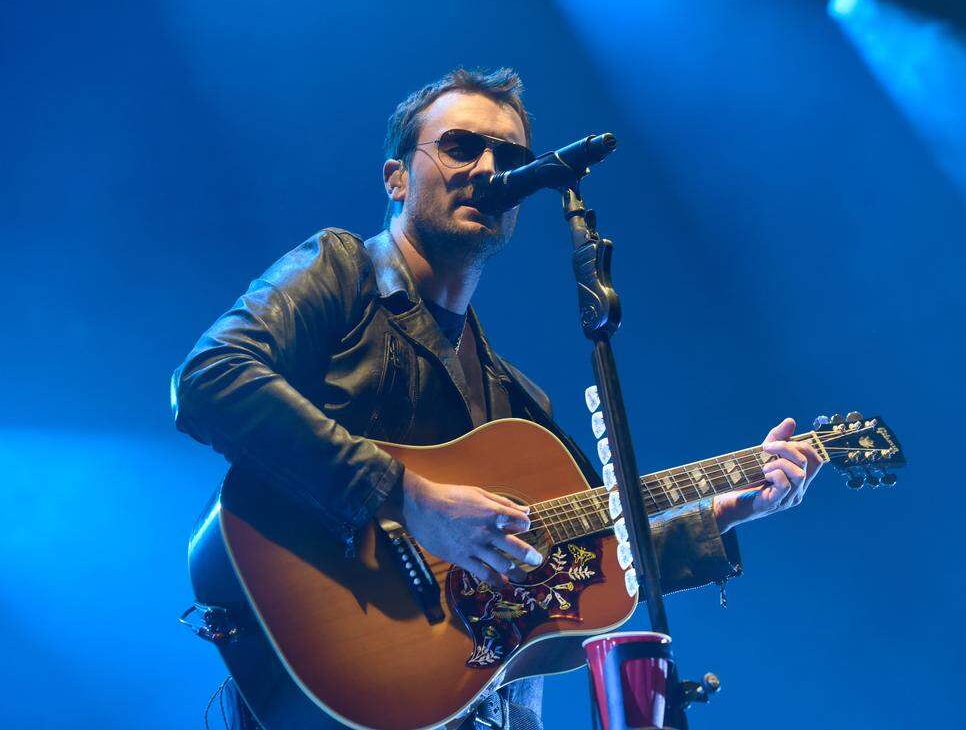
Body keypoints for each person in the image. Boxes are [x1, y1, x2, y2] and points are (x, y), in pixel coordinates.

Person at [171, 67, 823, 730]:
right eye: (461, 147)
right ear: (396, 176)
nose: (489, 169)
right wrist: (411, 497)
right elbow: (210, 378)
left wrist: (726, 510)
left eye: (510, 159)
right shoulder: (342, 272)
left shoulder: (510, 395)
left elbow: (598, 545)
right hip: (329, 669)